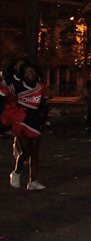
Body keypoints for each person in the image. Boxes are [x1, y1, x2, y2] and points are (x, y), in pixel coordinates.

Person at [7, 62, 48, 191]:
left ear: (36, 74)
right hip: (21, 120)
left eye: (32, 72)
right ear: (23, 75)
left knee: (35, 152)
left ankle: (33, 181)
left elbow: (43, 103)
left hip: (34, 121)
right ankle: (16, 172)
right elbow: (5, 89)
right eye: (27, 72)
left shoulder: (41, 87)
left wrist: (43, 115)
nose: (30, 74)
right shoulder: (18, 86)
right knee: (26, 151)